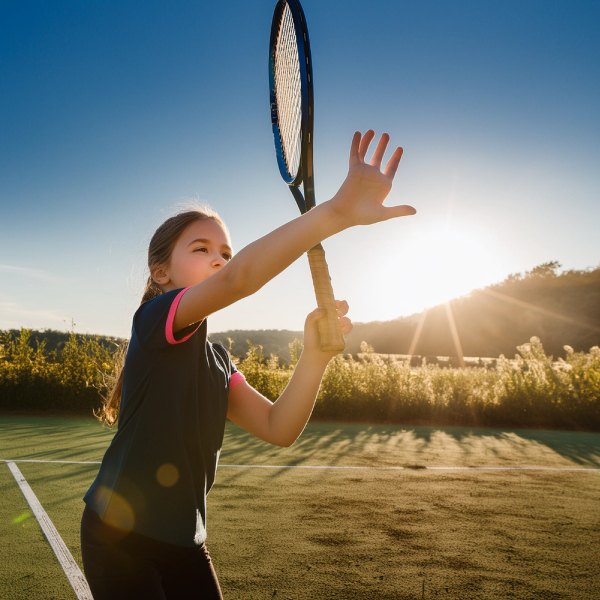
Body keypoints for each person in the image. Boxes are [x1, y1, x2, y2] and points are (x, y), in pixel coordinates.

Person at [80, 130, 416, 599]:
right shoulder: (156, 318)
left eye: (224, 253)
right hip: (119, 537)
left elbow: (279, 427)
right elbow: (243, 278)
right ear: (161, 273)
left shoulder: (218, 361)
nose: (218, 260)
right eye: (201, 250)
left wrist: (315, 356)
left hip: (185, 541)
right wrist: (335, 214)